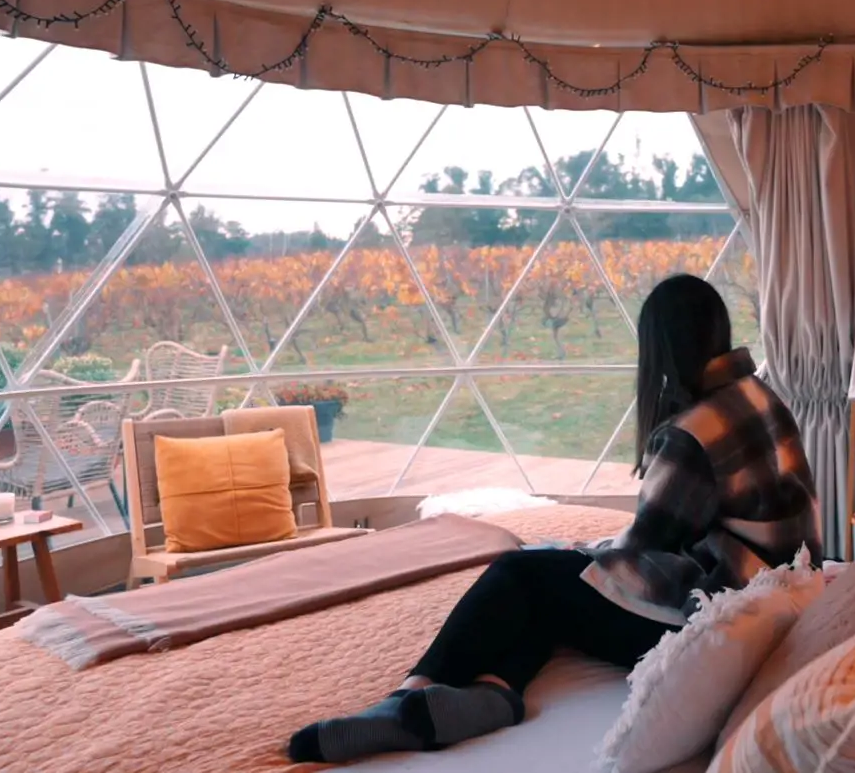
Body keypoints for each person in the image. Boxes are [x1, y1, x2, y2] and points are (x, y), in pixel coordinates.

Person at [287, 274, 822, 762]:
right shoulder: (761, 396)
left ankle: (409, 695)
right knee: (548, 592)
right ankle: (495, 692)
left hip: (711, 606)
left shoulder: (692, 431)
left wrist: (574, 555)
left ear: (659, 347)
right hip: (769, 587)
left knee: (520, 572)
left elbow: (643, 547)